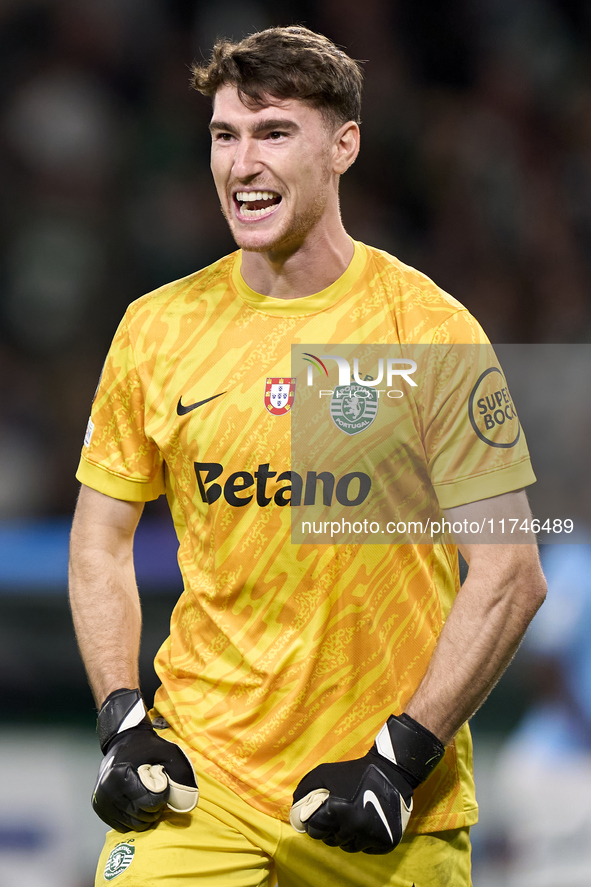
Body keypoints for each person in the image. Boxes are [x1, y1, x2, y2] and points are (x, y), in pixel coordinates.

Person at [68, 26, 547, 887]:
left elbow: (509, 571)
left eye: (274, 132)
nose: (241, 163)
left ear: (343, 145)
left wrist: (400, 759)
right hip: (199, 786)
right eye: (225, 135)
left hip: (381, 800)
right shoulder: (158, 328)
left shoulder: (423, 332)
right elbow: (99, 539)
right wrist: (121, 718)